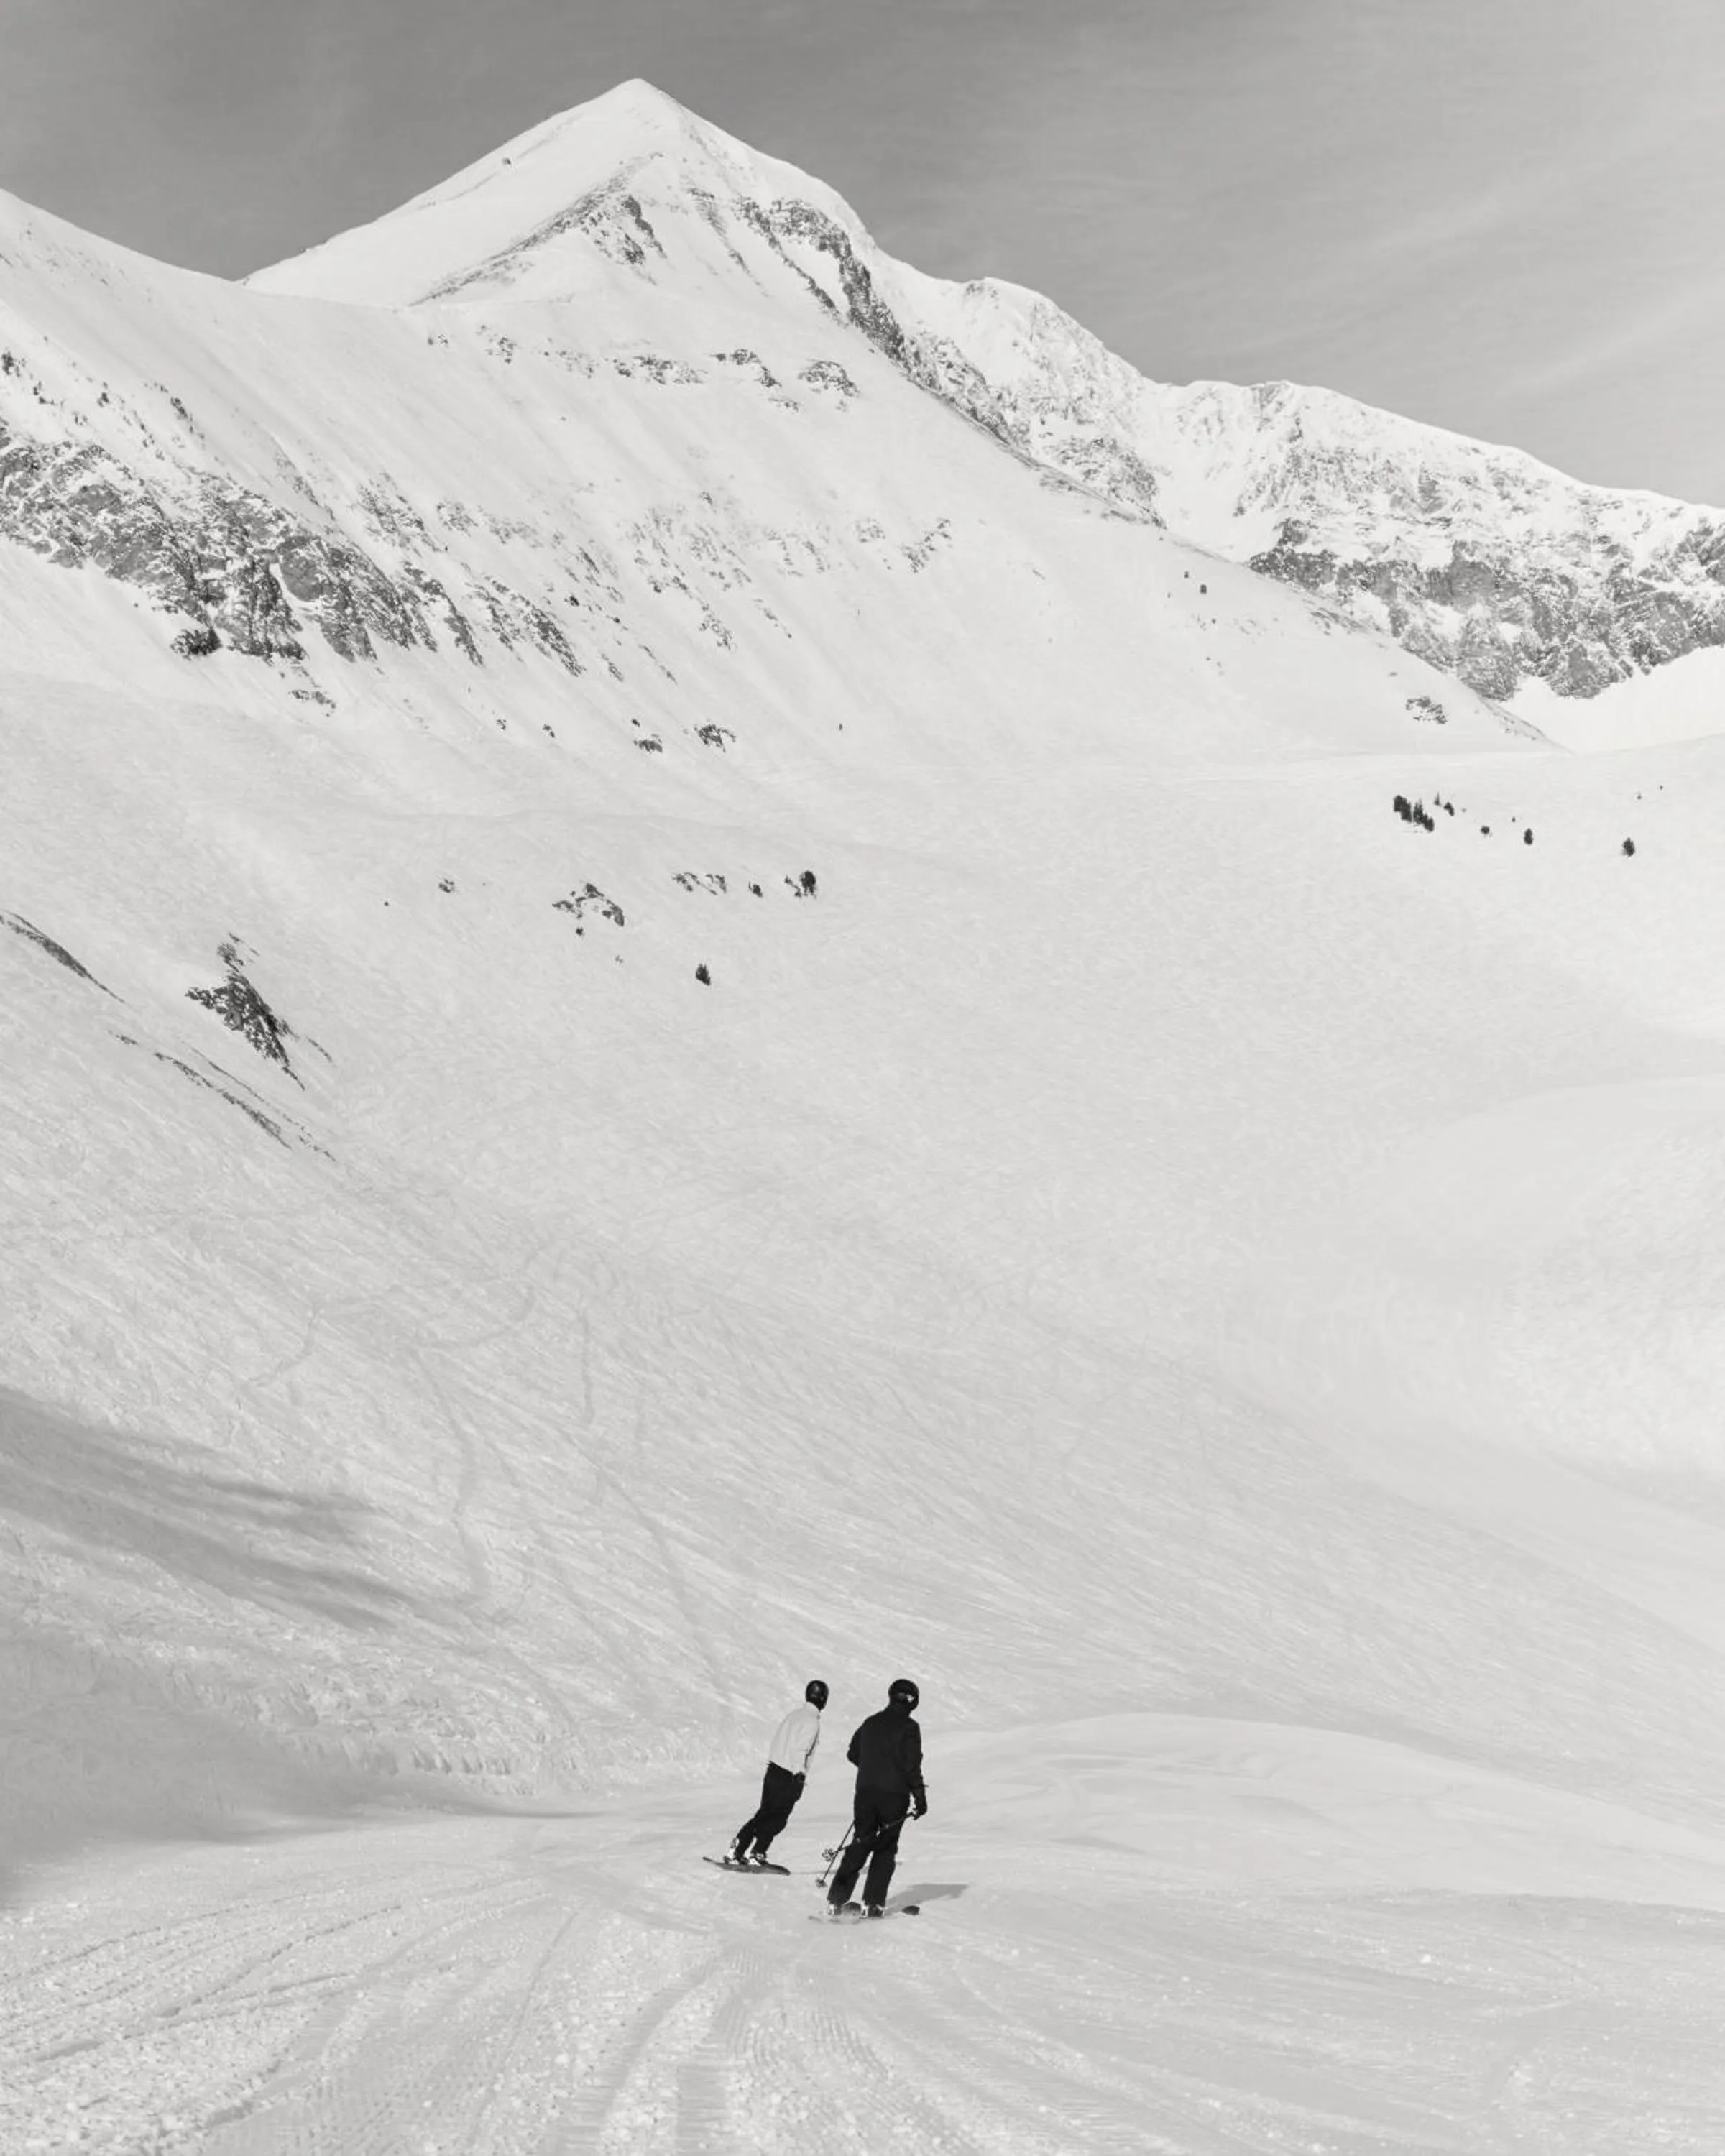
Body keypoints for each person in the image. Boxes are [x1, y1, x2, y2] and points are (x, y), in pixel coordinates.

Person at [826, 1677, 927, 1917]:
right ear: (913, 1702)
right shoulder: (910, 1728)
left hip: (865, 1793)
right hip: (895, 1795)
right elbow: (912, 1766)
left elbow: (853, 1753)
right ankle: (872, 1904)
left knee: (860, 1842)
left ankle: (836, 1900)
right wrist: (920, 1798)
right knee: (885, 1848)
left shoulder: (870, 1723)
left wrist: (872, 1767)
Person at [730, 1680, 827, 1866]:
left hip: (773, 1770)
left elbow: (778, 1741)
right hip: (789, 1775)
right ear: (823, 1699)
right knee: (778, 1818)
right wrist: (799, 1775)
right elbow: (801, 1750)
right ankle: (757, 1853)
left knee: (764, 1813)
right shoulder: (812, 1722)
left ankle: (736, 1849)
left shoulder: (794, 1715)